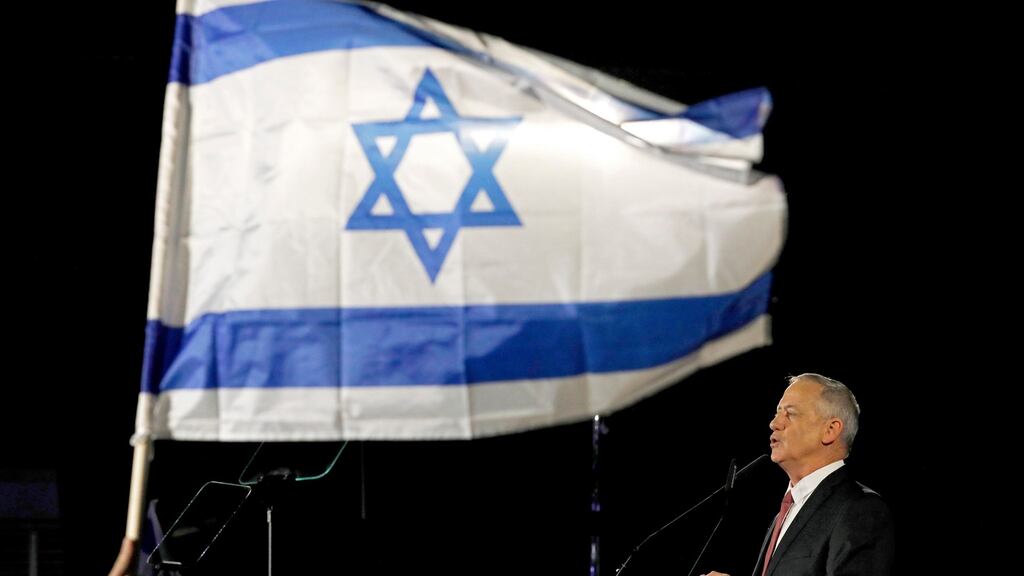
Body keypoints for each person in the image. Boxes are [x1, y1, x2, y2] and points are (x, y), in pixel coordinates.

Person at [704, 373, 894, 576]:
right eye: (777, 413)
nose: (774, 423)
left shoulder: (860, 509)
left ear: (830, 430)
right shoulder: (785, 513)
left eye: (790, 414)